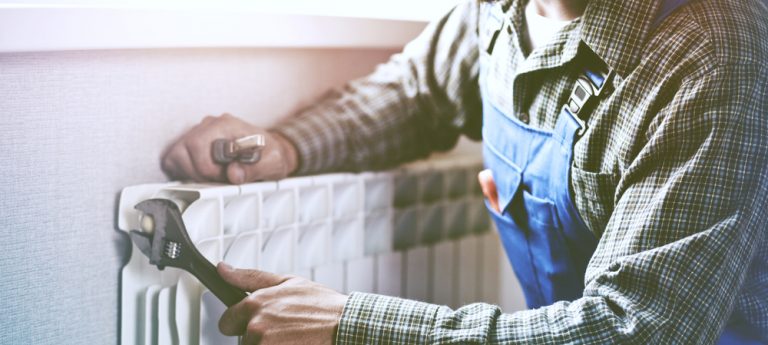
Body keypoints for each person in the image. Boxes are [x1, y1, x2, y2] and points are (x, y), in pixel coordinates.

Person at [161, 0, 768, 343]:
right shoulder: (498, 11)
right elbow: (415, 91)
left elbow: (635, 329)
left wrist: (354, 325)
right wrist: (286, 146)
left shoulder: (714, 51)